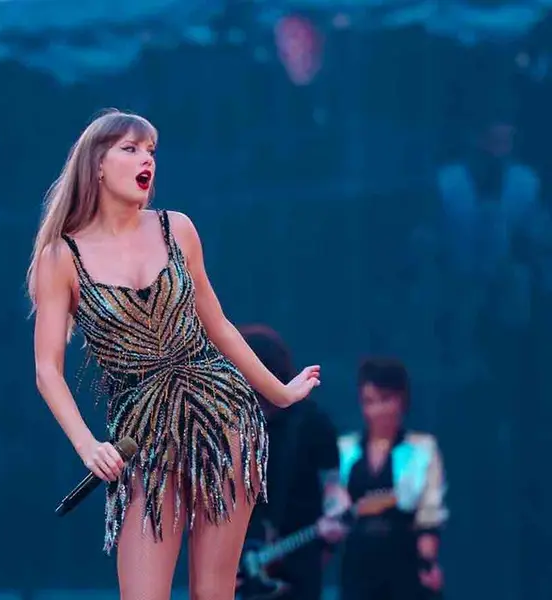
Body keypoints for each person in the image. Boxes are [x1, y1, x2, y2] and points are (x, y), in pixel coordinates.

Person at [28, 109, 321, 600]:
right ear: (97, 165)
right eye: (131, 149)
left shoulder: (176, 228)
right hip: (142, 437)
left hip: (223, 418)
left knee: (213, 591)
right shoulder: (61, 258)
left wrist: (280, 393)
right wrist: (87, 445)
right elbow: (46, 369)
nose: (147, 160)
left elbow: (219, 326)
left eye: (151, 151)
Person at [237, 325, 344, 600]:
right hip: (245, 559)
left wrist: (336, 511)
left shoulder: (312, 423)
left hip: (298, 555)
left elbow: (333, 486)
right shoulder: (237, 425)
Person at [335, 358, 447, 600]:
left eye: (385, 400)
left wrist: (427, 563)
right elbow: (334, 510)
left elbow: (429, 515)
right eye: (369, 401)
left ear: (401, 400)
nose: (377, 410)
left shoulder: (422, 449)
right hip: (357, 564)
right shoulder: (346, 449)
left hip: (404, 562)